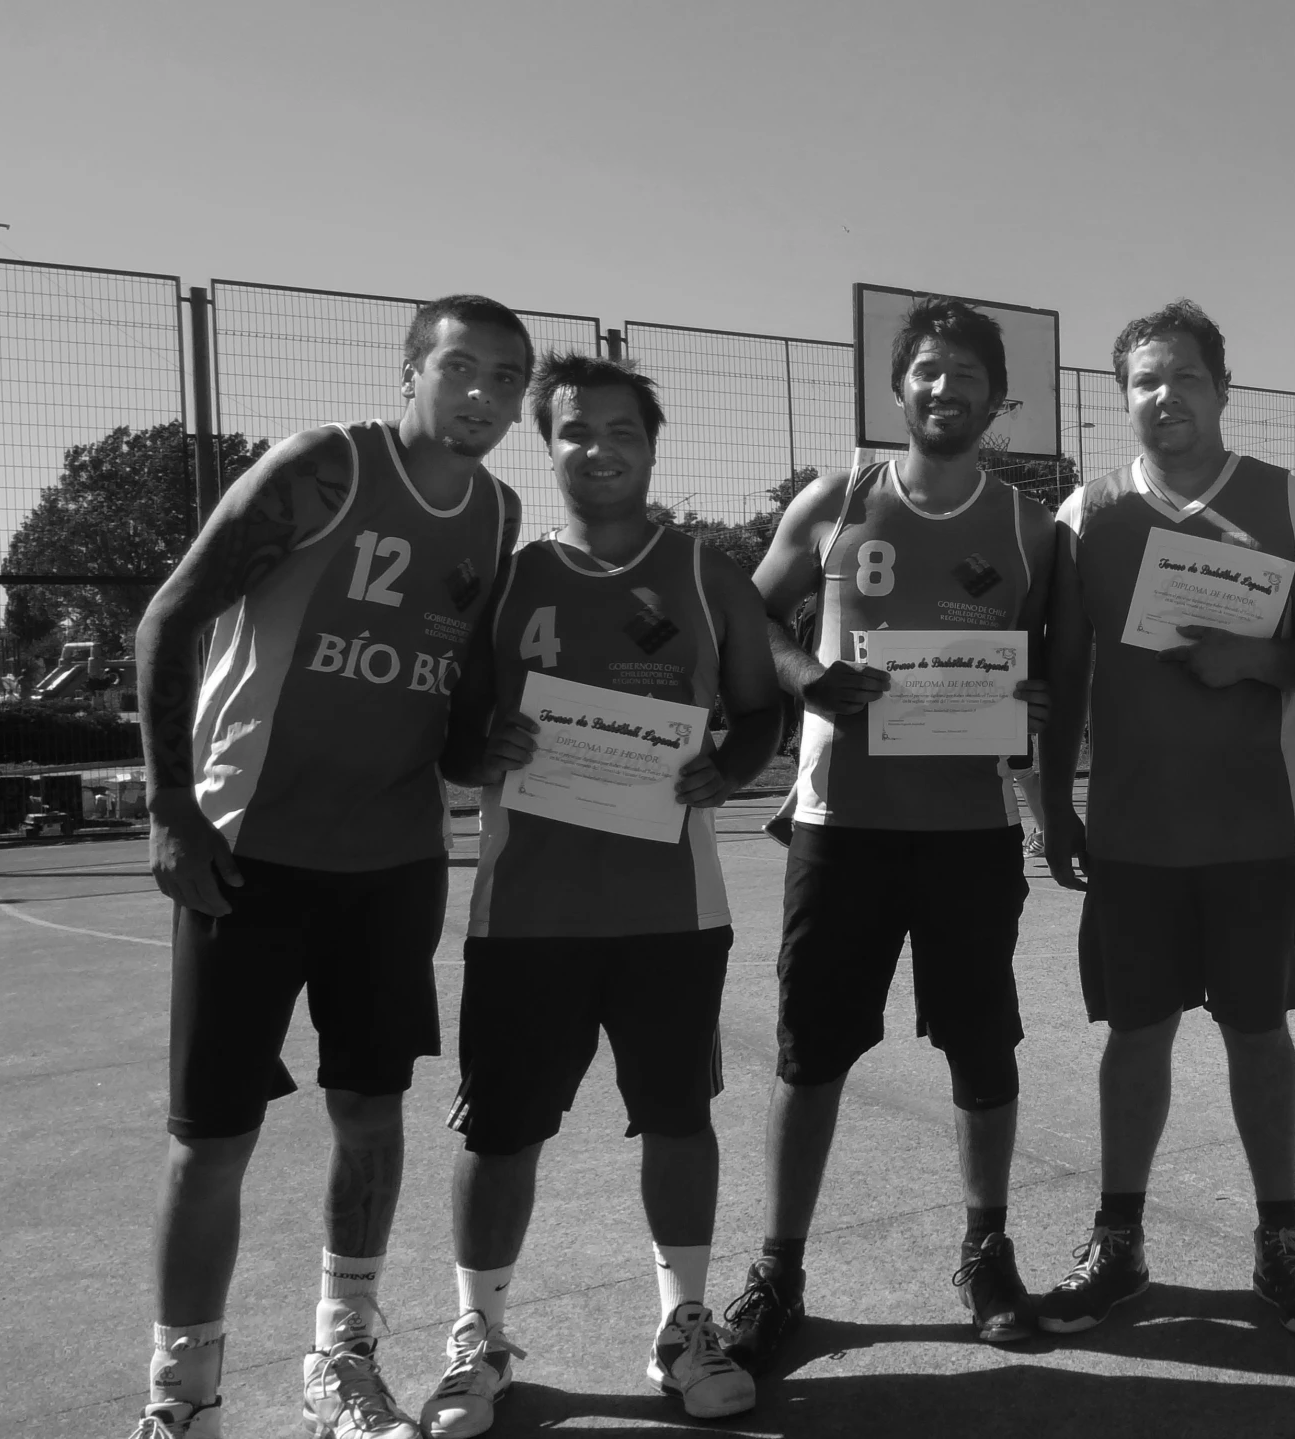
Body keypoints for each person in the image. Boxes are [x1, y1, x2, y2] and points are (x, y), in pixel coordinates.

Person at [129, 296, 532, 1439]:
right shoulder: (326, 470)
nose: (484, 395)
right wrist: (169, 803)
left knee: (371, 1111)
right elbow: (168, 617)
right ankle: (181, 1398)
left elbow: (447, 701)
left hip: (392, 865)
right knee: (210, 1140)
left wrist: (485, 744)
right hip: (246, 851)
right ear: (410, 370)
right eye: (461, 367)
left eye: (507, 379)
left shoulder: (497, 515)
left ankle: (341, 1356)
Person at [416, 354, 781, 1433]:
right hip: (527, 909)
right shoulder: (513, 576)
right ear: (552, 443)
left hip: (672, 908)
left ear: (652, 446)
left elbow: (758, 707)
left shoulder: (709, 576)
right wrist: (485, 745)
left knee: (677, 1117)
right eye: (577, 430)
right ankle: (477, 1332)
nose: (601, 448)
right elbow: (458, 733)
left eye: (622, 430)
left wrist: (737, 763)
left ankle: (683, 1323)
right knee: (500, 1133)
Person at [720, 296, 1057, 1368]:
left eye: (967, 375)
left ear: (999, 399)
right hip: (841, 823)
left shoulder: (1027, 527)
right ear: (897, 386)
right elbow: (749, 612)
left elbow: (1049, 664)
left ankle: (986, 1245)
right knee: (811, 1051)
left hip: (968, 828)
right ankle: (779, 1265)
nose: (945, 389)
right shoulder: (837, 495)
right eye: (927, 372)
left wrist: (1034, 710)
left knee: (980, 1041)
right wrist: (804, 674)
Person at [1035, 299, 1295, 1337]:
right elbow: (1065, 672)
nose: (1161, 396)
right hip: (1132, 835)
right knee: (1135, 1035)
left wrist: (1252, 658)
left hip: (1257, 832)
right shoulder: (1088, 514)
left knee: (1259, 1032)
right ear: (1121, 396)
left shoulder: (1292, 506)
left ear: (1223, 386)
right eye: (1141, 381)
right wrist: (1054, 804)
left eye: (1181, 376)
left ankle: (1280, 1239)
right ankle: (1118, 1242)